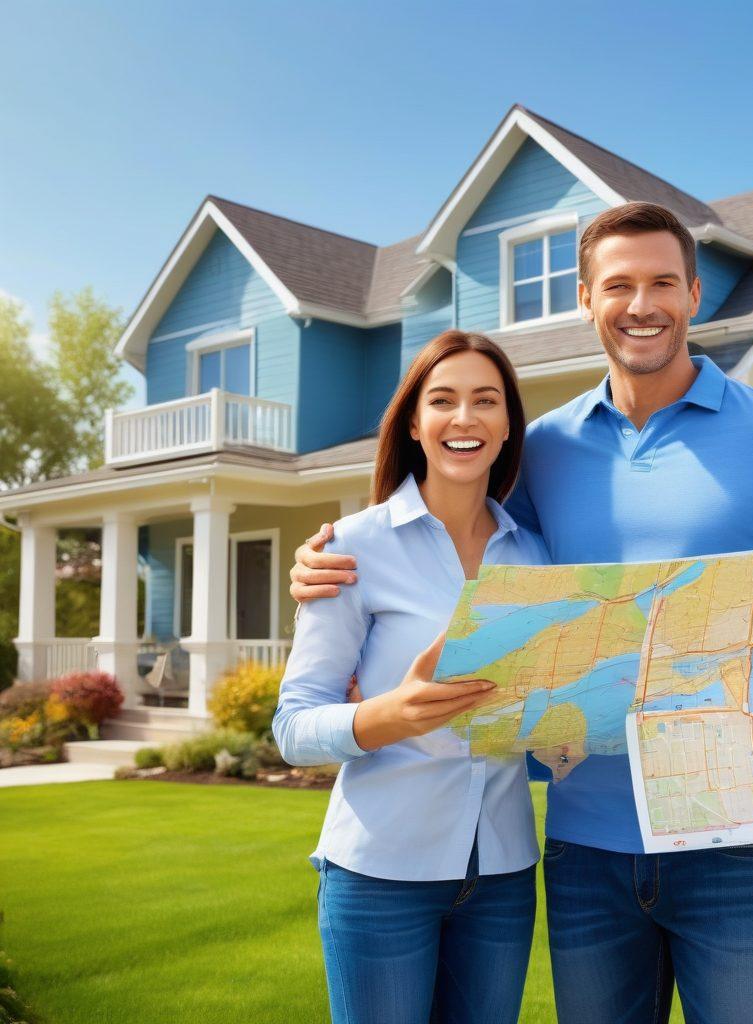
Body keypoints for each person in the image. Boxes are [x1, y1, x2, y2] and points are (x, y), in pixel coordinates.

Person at [288, 203, 753, 1024]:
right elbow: (469, 550)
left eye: (662, 283)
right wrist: (331, 559)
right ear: (585, 298)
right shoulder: (542, 451)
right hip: (586, 853)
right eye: (618, 285)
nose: (641, 305)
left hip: (738, 847)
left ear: (694, 294)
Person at [273, 330, 549, 1024]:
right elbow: (293, 726)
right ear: (415, 425)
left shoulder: (537, 558)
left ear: (507, 425)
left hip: (503, 876)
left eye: (486, 400)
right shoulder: (352, 547)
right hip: (380, 876)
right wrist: (389, 715)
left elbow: (546, 718)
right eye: (443, 400)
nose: (465, 418)